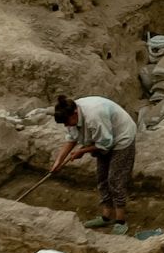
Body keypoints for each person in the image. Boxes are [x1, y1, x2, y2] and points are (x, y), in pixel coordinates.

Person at [51, 94, 138, 230]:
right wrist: (58, 162)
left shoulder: (94, 116)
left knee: (115, 180)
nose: (66, 126)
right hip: (102, 138)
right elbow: (71, 139)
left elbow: (106, 143)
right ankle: (106, 216)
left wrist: (82, 151)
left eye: (67, 122)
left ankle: (120, 220)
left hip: (121, 138)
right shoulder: (70, 114)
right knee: (102, 178)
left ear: (74, 114)